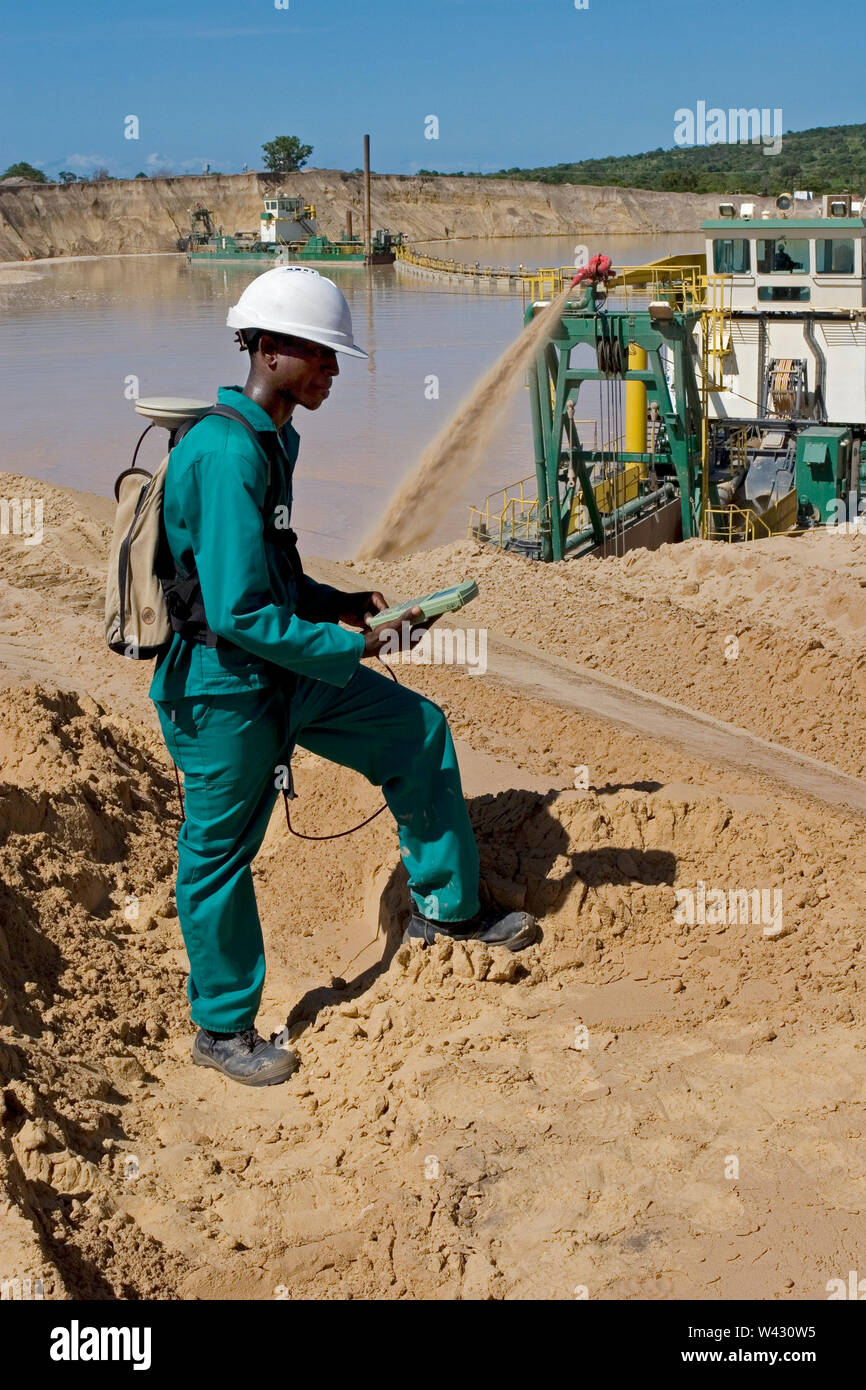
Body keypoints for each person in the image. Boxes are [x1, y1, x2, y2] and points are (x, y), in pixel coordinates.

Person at [151, 266, 538, 1088]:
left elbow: (274, 577)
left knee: (415, 732)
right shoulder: (225, 452)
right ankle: (222, 1028)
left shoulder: (272, 438)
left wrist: (340, 603)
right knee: (218, 855)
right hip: (224, 689)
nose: (332, 370)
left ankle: (446, 913)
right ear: (269, 349)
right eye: (321, 354)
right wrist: (355, 647)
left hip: (285, 670)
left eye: (334, 357)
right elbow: (237, 612)